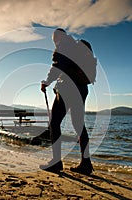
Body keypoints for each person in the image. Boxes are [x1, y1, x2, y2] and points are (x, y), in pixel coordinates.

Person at [39, 28, 94, 175]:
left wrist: (47, 82)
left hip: (67, 88)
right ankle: (86, 163)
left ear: (58, 37)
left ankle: (56, 162)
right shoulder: (77, 47)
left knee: (54, 123)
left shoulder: (63, 45)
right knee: (79, 125)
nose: (54, 42)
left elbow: (57, 66)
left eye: (54, 39)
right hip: (82, 88)